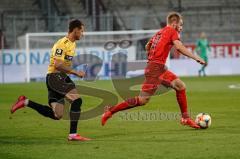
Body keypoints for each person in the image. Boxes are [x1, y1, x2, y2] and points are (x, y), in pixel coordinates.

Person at [101, 12, 206, 129]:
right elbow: (179, 47)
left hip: (157, 67)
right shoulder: (172, 31)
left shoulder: (159, 33)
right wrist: (196, 57)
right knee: (142, 100)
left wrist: (152, 57)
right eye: (181, 25)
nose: (181, 28)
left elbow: (147, 46)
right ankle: (111, 111)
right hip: (155, 68)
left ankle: (185, 118)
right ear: (174, 23)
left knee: (180, 86)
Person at [11, 19, 91, 141]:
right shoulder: (62, 44)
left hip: (57, 78)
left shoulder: (73, 44)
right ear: (75, 30)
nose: (83, 34)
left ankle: (26, 102)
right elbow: (58, 65)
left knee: (57, 115)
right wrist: (75, 72)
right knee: (77, 101)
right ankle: (73, 134)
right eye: (82, 31)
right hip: (56, 78)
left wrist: (72, 71)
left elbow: (63, 64)